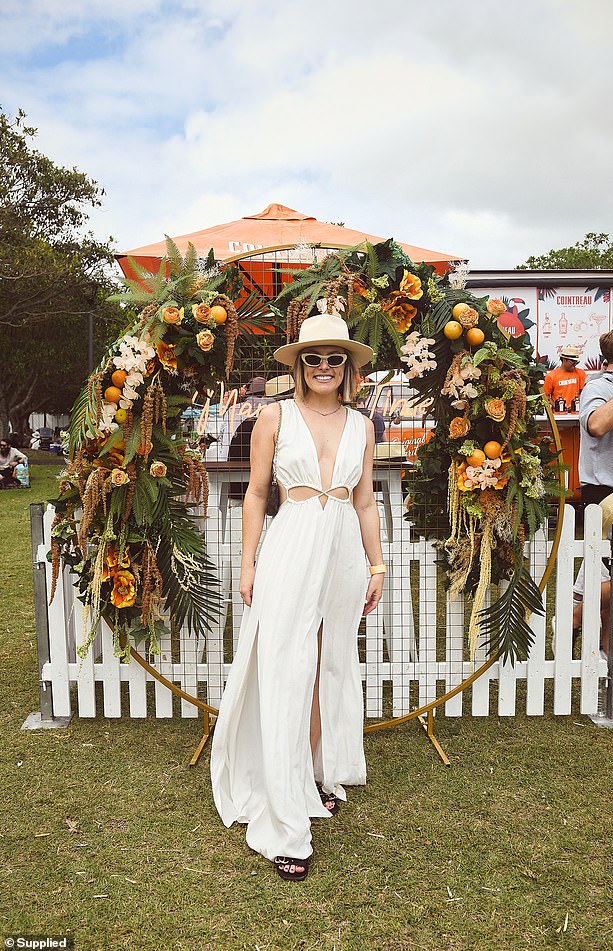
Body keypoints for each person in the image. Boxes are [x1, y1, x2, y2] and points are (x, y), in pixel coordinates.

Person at [211, 310, 384, 881]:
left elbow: (364, 502)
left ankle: (313, 773)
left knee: (326, 667)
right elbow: (257, 494)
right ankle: (287, 824)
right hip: (291, 542)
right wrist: (248, 563)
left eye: (336, 357)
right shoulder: (273, 417)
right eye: (314, 358)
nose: (325, 366)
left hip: (343, 553)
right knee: (286, 668)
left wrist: (377, 563)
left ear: (350, 365)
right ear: (300, 365)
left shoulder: (363, 425)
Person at [577, 326, 613, 672]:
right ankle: (572, 618)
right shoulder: (599, 387)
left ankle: (607, 651)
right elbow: (597, 426)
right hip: (606, 493)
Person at [543, 345, 586, 410]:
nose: (575, 364)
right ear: (564, 359)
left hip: (577, 413)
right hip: (558, 414)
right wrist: (556, 406)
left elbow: (584, 393)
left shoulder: (581, 373)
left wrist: (575, 405)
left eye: (576, 362)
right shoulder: (551, 376)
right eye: (573, 361)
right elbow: (545, 396)